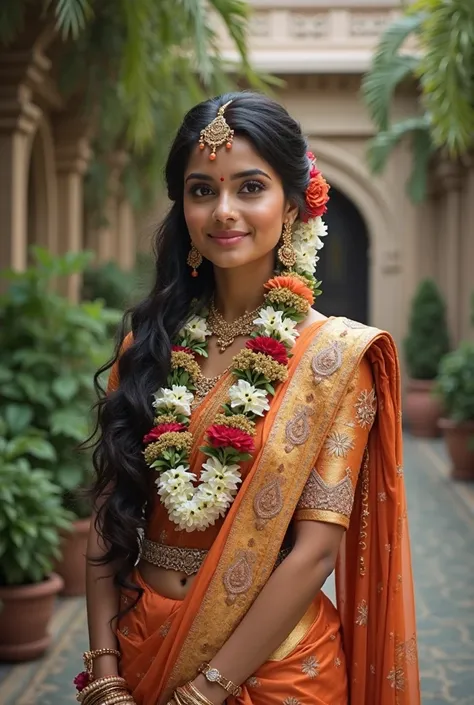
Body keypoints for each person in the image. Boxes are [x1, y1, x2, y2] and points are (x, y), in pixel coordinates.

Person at [77, 92, 421, 705]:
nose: (224, 211)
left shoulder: (336, 358)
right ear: (182, 206)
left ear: (291, 204)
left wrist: (207, 691)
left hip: (274, 668)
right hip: (137, 650)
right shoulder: (148, 345)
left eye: (250, 187)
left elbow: (315, 553)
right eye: (202, 190)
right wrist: (104, 668)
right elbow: (109, 515)